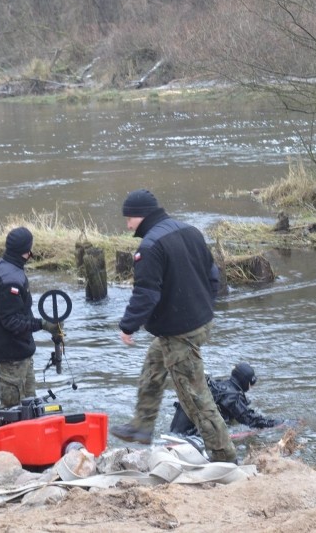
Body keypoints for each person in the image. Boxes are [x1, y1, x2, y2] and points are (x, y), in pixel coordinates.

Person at [111, 189, 238, 463]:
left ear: (140, 215)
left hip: (180, 332)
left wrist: (127, 326)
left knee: (194, 398)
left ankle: (224, 455)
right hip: (199, 322)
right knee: (154, 363)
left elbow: (146, 294)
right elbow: (213, 276)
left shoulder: (149, 248)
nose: (127, 224)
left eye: (128, 218)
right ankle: (142, 426)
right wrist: (205, 306)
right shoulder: (189, 231)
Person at [0, 226, 61, 408]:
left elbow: (18, 313)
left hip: (21, 353)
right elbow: (12, 322)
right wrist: (42, 324)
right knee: (11, 412)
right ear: (27, 252)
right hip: (11, 358)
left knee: (30, 408)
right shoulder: (11, 281)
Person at [169, 362, 282, 437]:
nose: (253, 386)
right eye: (252, 383)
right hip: (189, 435)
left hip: (175, 429)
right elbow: (251, 420)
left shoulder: (220, 384)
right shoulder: (232, 396)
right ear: (246, 382)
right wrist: (279, 423)